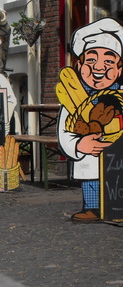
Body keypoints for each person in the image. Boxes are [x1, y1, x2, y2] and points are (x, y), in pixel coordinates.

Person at [57, 18, 123, 222]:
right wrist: (79, 145)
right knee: (91, 176)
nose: (99, 67)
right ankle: (92, 207)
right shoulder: (71, 99)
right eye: (91, 60)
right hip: (90, 155)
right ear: (79, 66)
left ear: (119, 70)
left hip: (118, 156)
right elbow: (64, 131)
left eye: (109, 61)